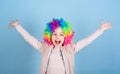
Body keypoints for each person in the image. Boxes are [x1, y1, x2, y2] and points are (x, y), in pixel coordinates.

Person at [8, 18, 112, 74]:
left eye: (61, 35)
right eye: (55, 34)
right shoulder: (45, 47)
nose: (58, 37)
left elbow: (86, 41)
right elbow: (30, 39)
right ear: (49, 35)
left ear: (66, 36)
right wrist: (18, 26)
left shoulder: (70, 48)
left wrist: (100, 30)